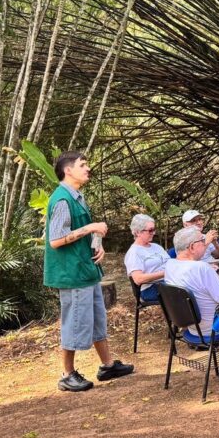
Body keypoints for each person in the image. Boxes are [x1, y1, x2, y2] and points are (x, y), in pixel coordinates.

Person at [45, 151, 134, 392]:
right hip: (72, 274)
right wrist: (90, 227)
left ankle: (108, 366)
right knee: (74, 322)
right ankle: (67, 375)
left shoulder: (77, 197)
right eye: (82, 165)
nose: (88, 168)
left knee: (97, 319)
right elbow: (55, 240)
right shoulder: (62, 200)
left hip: (86, 269)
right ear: (68, 170)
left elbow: (82, 232)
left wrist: (98, 244)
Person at [164, 227, 219, 379]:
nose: (205, 243)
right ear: (192, 246)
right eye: (202, 241)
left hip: (191, 326)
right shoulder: (201, 268)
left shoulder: (170, 265)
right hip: (213, 327)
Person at [124, 214, 168, 301]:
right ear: (138, 232)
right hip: (150, 288)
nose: (153, 233)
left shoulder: (156, 246)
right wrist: (165, 273)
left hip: (167, 282)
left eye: (154, 229)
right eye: (150, 230)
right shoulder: (134, 252)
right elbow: (138, 279)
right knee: (186, 290)